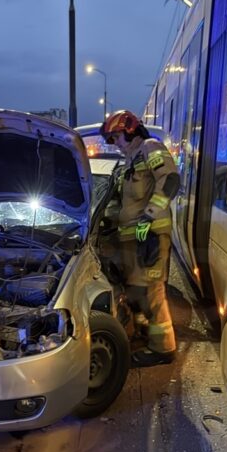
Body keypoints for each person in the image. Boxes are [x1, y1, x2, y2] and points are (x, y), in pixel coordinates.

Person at [100, 110, 180, 366]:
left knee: (152, 291)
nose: (114, 144)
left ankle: (163, 348)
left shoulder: (150, 147)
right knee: (136, 291)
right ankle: (145, 335)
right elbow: (123, 202)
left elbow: (170, 179)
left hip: (150, 235)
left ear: (130, 131)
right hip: (132, 238)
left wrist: (149, 216)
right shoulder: (129, 161)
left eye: (115, 138)